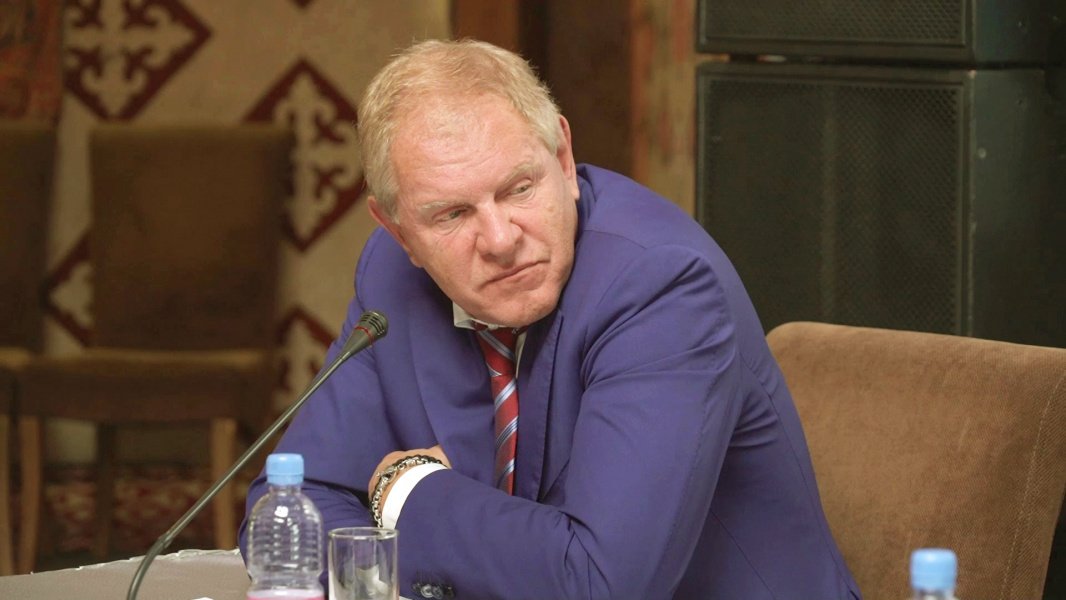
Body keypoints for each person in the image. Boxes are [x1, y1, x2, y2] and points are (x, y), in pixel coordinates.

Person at [240, 38, 861, 600]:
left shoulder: (661, 286)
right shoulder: (391, 276)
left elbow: (599, 583)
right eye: (452, 215)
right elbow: (289, 509)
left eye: (519, 188)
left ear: (563, 158)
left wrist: (404, 490)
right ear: (398, 231)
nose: (501, 239)